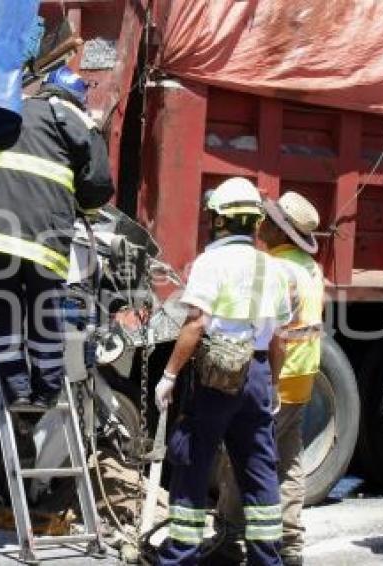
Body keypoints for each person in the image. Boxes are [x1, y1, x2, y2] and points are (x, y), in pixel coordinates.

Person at [154, 177, 295, 566]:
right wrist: (273, 385)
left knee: (193, 461)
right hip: (259, 373)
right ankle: (268, 558)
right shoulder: (274, 268)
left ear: (219, 220)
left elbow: (196, 324)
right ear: (253, 222)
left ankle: (180, 555)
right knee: (259, 469)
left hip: (216, 377)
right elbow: (281, 337)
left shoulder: (210, 262)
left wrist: (168, 376)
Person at [0, 65, 114, 408]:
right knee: (43, 313)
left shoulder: (9, 107)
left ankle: (16, 387)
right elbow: (98, 186)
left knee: (2, 312)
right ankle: (46, 390)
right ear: (76, 98)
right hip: (43, 242)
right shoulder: (79, 123)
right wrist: (84, 210)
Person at [213, 191, 324, 566]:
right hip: (304, 373)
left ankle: (229, 538)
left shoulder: (277, 269)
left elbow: (268, 328)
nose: (261, 225)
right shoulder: (309, 266)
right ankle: (291, 544)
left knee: (242, 457)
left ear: (281, 230)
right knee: (289, 460)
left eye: (269, 221)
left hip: (280, 372)